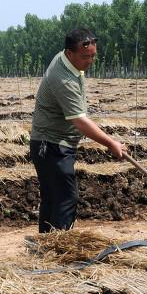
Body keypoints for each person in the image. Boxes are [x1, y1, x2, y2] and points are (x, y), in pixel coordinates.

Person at [30, 28, 125, 233]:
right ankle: (60, 247)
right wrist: (111, 143)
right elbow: (79, 121)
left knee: (53, 197)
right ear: (69, 53)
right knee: (65, 198)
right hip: (51, 145)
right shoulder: (62, 79)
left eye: (93, 55)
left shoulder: (66, 59)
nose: (90, 61)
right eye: (85, 57)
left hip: (50, 143)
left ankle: (46, 244)